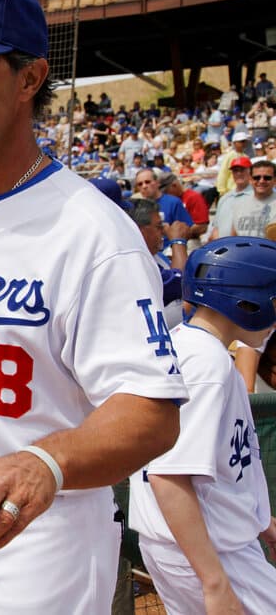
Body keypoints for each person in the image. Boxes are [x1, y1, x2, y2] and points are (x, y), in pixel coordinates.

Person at [0, 0, 185, 614]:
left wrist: (44, 462)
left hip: (40, 528)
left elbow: (152, 413)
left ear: (30, 79)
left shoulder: (93, 231)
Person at [129, 237, 276, 614]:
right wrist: (213, 582)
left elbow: (222, 467)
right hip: (210, 551)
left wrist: (261, 521)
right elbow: (169, 476)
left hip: (197, 543)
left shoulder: (187, 344)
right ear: (244, 300)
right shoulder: (206, 364)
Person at [127, 198, 190, 329]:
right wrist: (178, 241)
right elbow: (182, 283)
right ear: (139, 231)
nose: (164, 231)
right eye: (158, 226)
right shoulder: (135, 264)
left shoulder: (157, 256)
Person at [231, 159, 276, 237]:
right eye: (256, 177)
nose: (261, 181)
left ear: (275, 180)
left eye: (267, 178)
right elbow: (234, 236)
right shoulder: (240, 204)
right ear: (251, 179)